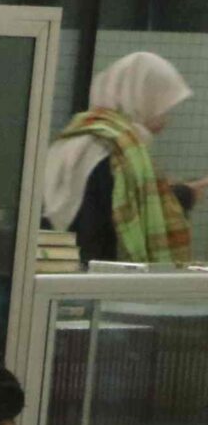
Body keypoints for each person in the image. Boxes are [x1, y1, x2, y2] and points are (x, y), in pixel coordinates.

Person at [41, 49, 206, 266]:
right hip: (87, 271)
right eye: (162, 107)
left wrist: (184, 193)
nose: (167, 119)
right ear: (141, 99)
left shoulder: (83, 133)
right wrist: (184, 195)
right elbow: (129, 213)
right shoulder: (117, 148)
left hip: (55, 261)